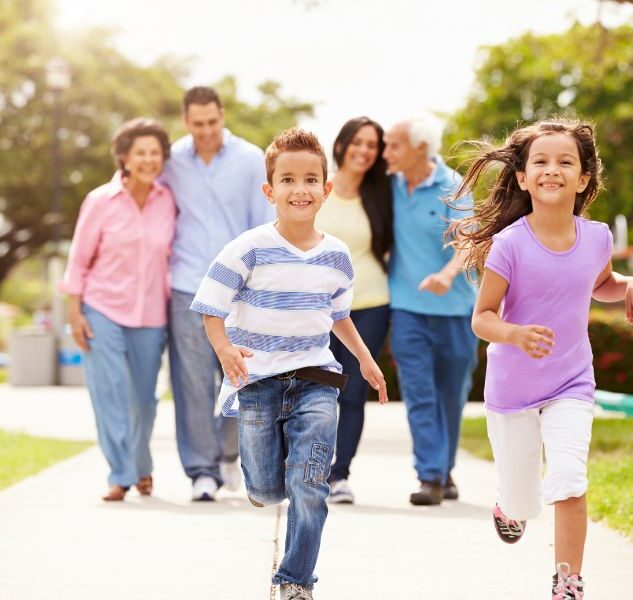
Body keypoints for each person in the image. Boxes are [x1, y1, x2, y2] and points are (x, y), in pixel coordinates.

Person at [448, 119, 633, 599]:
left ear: (583, 179)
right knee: (523, 499)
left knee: (568, 477)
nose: (552, 170)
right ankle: (507, 506)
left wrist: (630, 284)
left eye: (565, 162)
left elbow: (599, 283)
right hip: (513, 389)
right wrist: (514, 333)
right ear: (522, 177)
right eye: (540, 161)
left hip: (572, 382)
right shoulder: (510, 244)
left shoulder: (598, 237)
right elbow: (483, 318)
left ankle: (568, 582)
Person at [191, 129, 388, 600]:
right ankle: (263, 483)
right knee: (265, 488)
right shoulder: (248, 248)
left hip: (317, 378)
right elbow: (209, 307)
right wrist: (225, 350)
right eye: (287, 180)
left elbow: (338, 316)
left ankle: (296, 579)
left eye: (310, 179)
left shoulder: (337, 256)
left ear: (326, 189)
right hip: (257, 379)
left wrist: (364, 359)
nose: (299, 189)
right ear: (270, 190)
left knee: (310, 480)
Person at [162, 86, 274, 501]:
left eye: (213, 122)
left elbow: (262, 225)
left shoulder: (249, 159)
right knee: (190, 382)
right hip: (185, 285)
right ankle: (201, 472)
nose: (206, 130)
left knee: (236, 377)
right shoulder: (171, 161)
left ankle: (229, 453)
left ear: (221, 116)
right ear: (186, 121)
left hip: (235, 292)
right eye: (198, 124)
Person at [60, 118, 175, 501]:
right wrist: (74, 312)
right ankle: (120, 473)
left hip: (151, 314)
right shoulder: (99, 201)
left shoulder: (167, 201)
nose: (148, 160)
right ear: (124, 157)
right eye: (140, 152)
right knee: (109, 392)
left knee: (143, 399)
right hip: (101, 309)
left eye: (154, 153)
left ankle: (141, 464)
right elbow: (78, 261)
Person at [383, 118, 478, 506]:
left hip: (455, 309)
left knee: (451, 396)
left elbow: (468, 242)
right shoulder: (386, 187)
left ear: (420, 148)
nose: (385, 154)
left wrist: (447, 273)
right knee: (420, 394)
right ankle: (430, 476)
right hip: (406, 308)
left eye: (394, 146)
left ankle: (444, 468)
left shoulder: (453, 187)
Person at [315, 117, 392, 504]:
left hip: (370, 303)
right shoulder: (318, 188)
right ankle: (308, 468)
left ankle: (339, 474)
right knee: (314, 388)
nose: (364, 151)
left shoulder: (381, 194)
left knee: (354, 388)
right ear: (342, 144)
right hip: (317, 308)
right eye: (358, 142)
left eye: (372, 145)